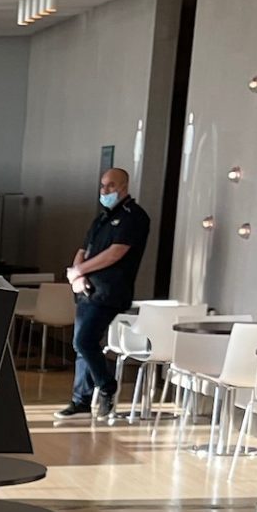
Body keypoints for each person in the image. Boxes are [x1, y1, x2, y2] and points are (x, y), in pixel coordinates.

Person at [53, 168, 150, 422]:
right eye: (103, 186)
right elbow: (83, 250)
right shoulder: (101, 219)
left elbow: (115, 253)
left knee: (83, 342)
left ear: (124, 187)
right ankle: (81, 401)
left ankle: (107, 385)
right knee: (82, 347)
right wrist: (77, 274)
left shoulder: (134, 217)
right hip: (87, 291)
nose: (105, 191)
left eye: (110, 186)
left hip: (110, 291)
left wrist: (79, 271)